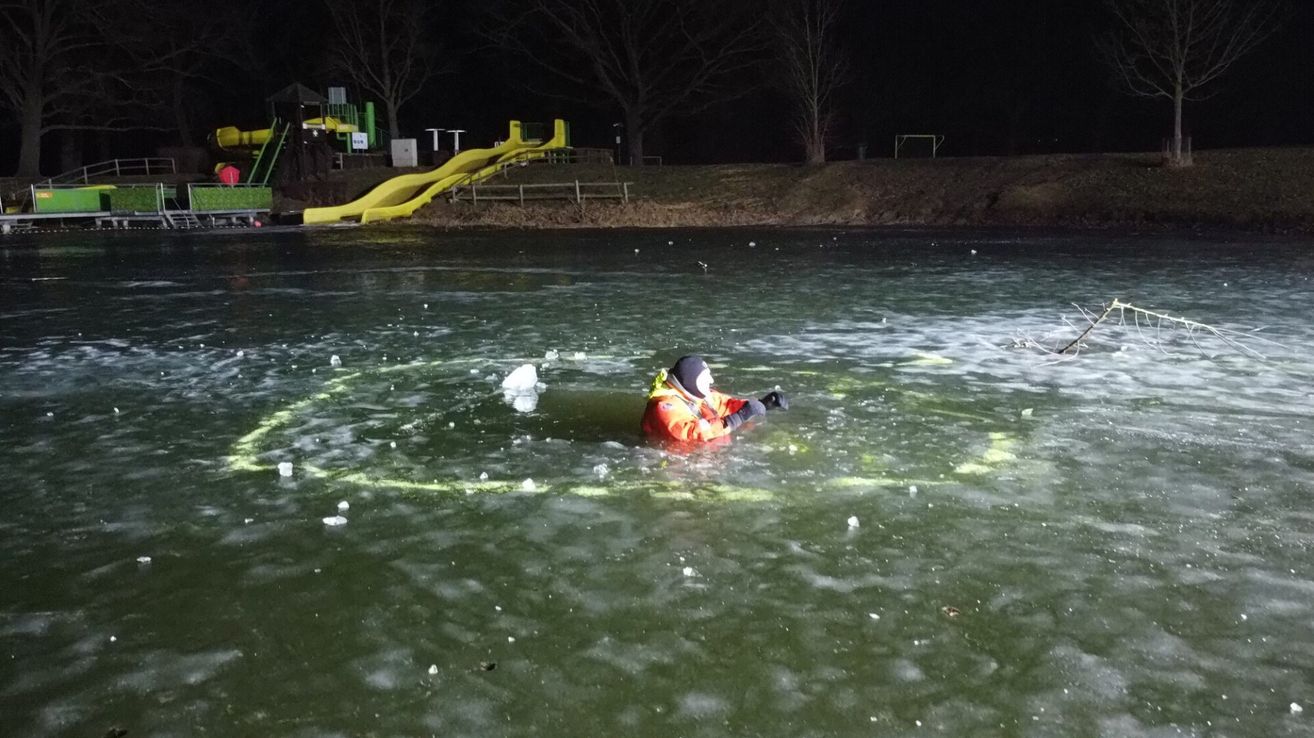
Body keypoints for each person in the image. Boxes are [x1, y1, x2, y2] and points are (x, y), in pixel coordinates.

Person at [641, 355, 788, 443]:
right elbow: (690, 432)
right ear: (690, 382)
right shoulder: (665, 406)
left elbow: (728, 405)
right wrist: (736, 419)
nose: (711, 380)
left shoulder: (700, 396)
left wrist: (761, 404)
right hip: (677, 465)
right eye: (705, 378)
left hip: (708, 455)